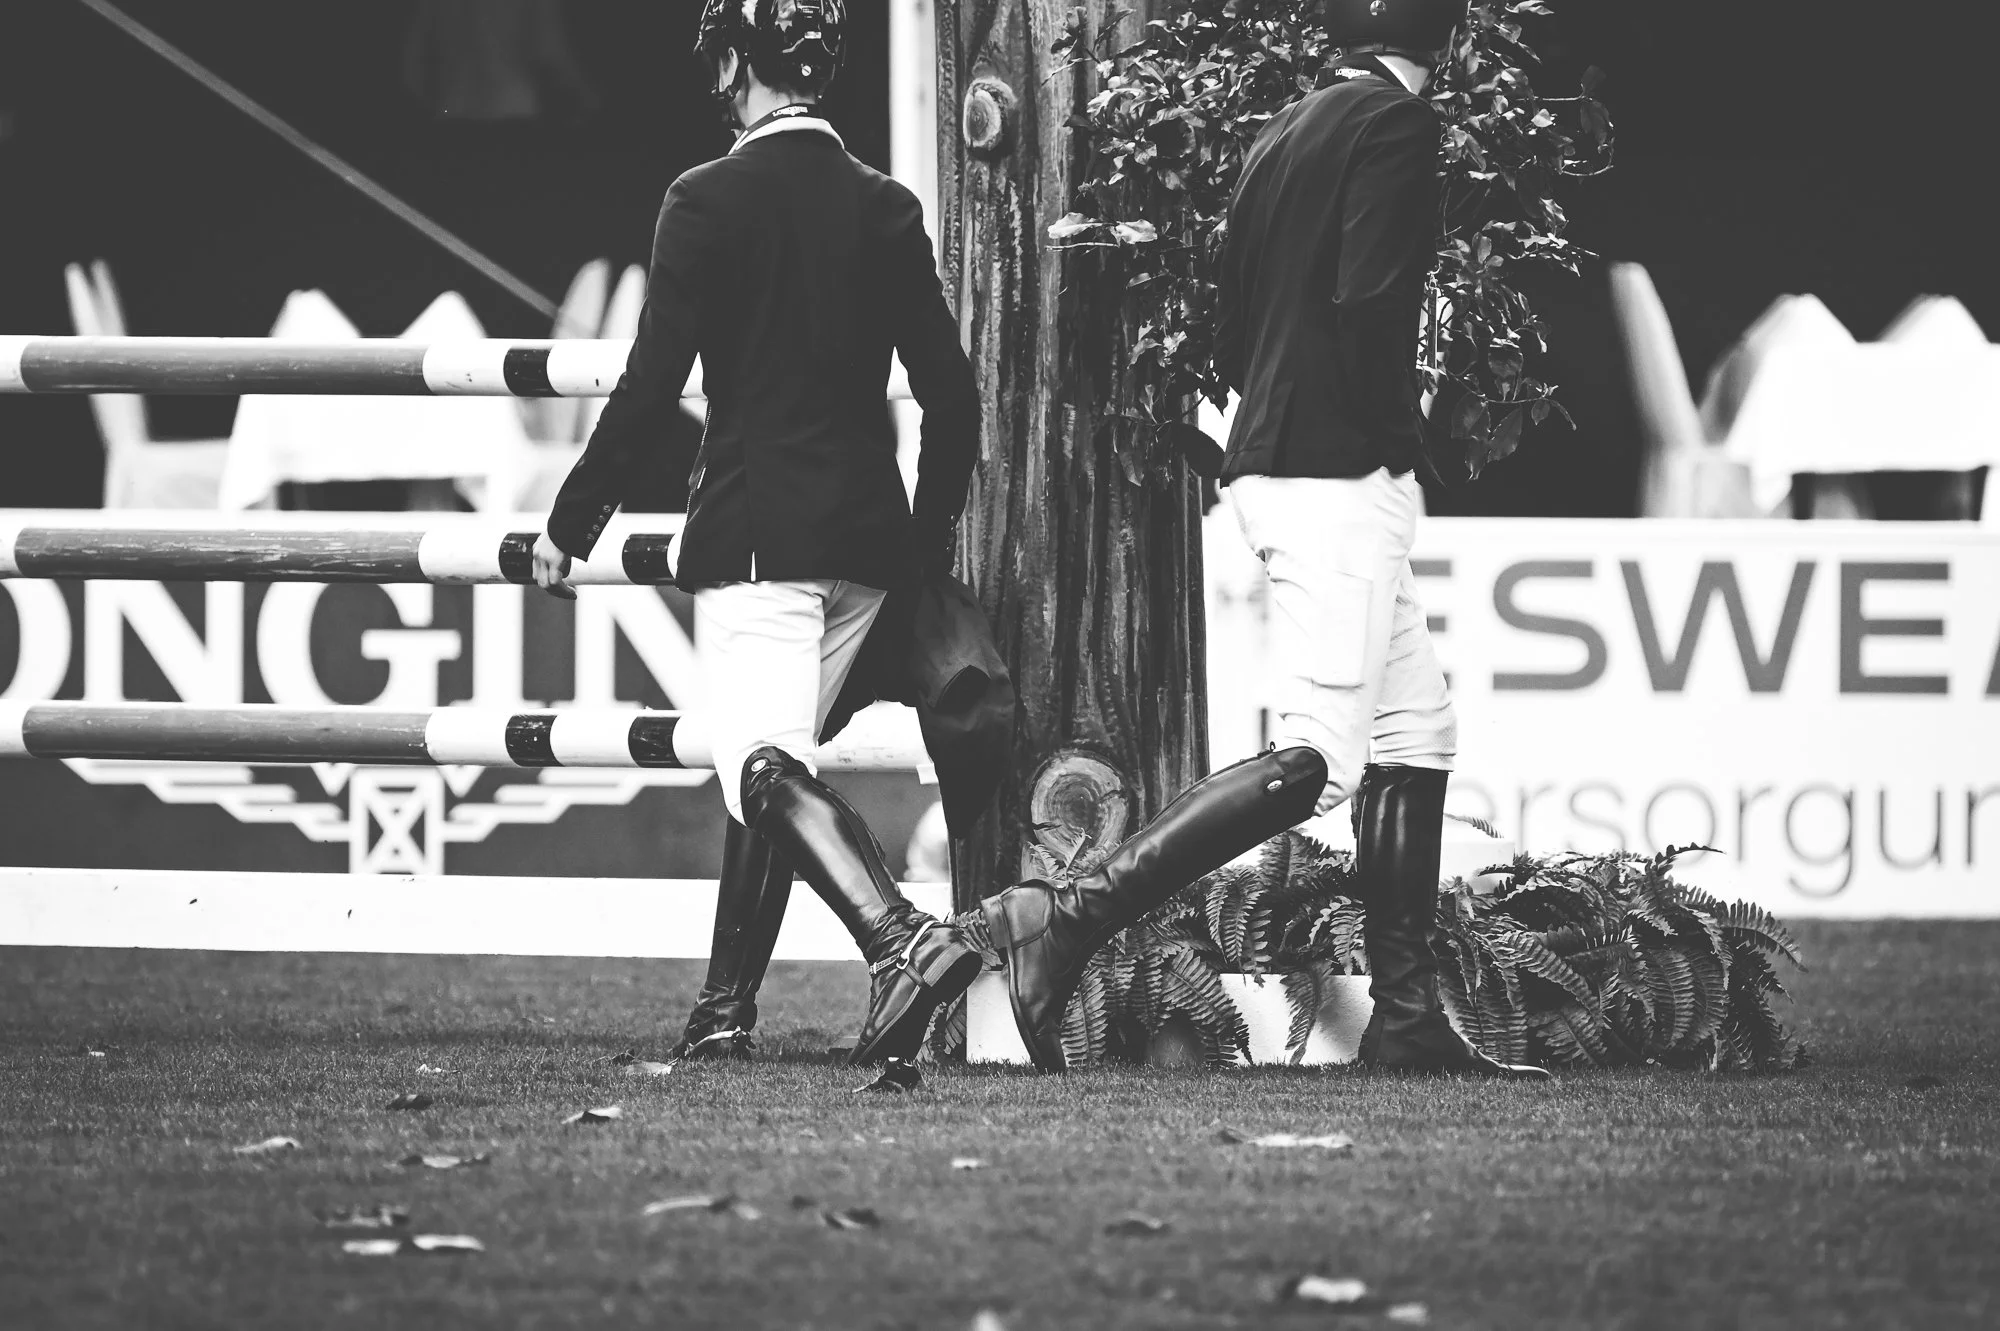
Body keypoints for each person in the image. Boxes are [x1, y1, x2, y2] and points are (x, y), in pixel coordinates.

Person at [982, 0, 1546, 1078]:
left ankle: (1407, 1014)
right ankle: (1070, 918)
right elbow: (1375, 300)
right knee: (1319, 760)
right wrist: (1403, 440)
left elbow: (1233, 327)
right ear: (1451, 40)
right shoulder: (1395, 125)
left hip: (1280, 455)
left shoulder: (1282, 131)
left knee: (1414, 727)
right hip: (1337, 471)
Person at [530, 0, 984, 1075]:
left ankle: (898, 936)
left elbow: (647, 393)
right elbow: (952, 398)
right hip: (867, 552)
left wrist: (568, 522)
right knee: (770, 760)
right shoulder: (884, 205)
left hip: (753, 536)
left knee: (757, 762)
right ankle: (722, 1010)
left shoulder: (703, 198)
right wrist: (917, 548)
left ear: (735, 65)